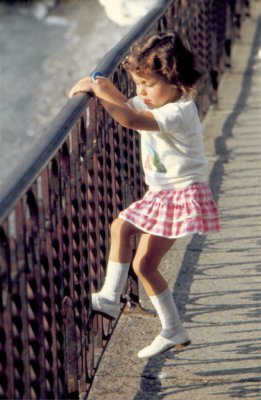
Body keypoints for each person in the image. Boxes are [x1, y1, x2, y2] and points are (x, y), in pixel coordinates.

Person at [69, 32, 220, 358]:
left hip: (180, 194)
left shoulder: (177, 111)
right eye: (138, 84)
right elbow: (127, 103)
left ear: (174, 79)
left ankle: (129, 307)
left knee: (136, 250)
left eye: (148, 84)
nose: (142, 93)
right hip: (163, 193)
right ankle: (153, 319)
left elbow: (129, 118)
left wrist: (99, 89)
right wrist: (98, 81)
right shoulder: (160, 102)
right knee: (134, 249)